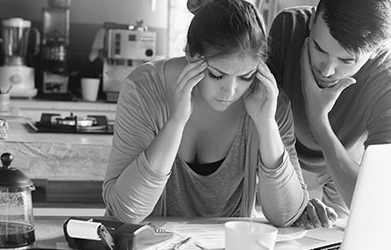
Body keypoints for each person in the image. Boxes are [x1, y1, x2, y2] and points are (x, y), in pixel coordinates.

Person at [102, 0, 309, 227]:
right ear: (191, 54)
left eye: (246, 77)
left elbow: (287, 215)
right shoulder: (143, 88)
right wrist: (176, 122)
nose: (230, 92)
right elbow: (125, 212)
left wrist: (266, 124)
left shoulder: (269, 102)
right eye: (217, 75)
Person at [267, 0, 391, 228]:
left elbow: (378, 204)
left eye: (346, 60)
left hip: (345, 173)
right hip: (285, 159)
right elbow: (269, 123)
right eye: (319, 48)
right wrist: (297, 197)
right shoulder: (289, 27)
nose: (326, 70)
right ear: (313, 19)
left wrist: (319, 122)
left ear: (375, 50)